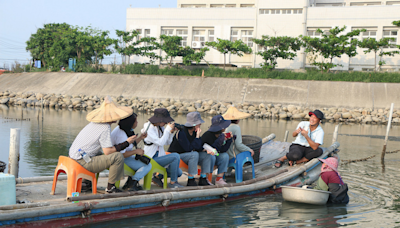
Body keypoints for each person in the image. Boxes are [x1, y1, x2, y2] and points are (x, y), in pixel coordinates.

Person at [69, 96, 135, 193]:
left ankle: (86, 183)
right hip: (81, 160)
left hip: (74, 157)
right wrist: (127, 143)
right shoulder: (105, 127)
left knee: (99, 154)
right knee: (117, 156)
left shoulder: (93, 123)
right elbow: (108, 151)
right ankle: (110, 187)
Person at [168, 112, 213, 186]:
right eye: (199, 123)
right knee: (194, 154)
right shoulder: (181, 132)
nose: (200, 124)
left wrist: (205, 150)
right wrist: (197, 136)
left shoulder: (194, 132)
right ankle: (191, 180)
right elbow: (188, 148)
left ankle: (203, 178)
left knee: (206, 155)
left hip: (188, 155)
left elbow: (198, 147)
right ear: (194, 125)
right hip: (177, 155)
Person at [142, 108, 183, 188]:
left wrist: (170, 133)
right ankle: (173, 183)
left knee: (179, 172)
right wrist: (167, 130)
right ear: (160, 120)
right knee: (175, 156)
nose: (166, 123)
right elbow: (160, 142)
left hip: (159, 157)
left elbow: (166, 142)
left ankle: (157, 177)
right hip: (151, 158)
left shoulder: (159, 127)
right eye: (165, 121)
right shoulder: (148, 128)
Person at [111, 113, 151, 191]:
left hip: (122, 157)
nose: (137, 123)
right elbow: (121, 154)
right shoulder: (121, 135)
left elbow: (129, 144)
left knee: (145, 162)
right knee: (147, 166)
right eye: (135, 121)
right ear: (130, 123)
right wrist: (135, 151)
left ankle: (129, 183)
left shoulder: (124, 129)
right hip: (119, 159)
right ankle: (132, 184)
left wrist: (140, 138)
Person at [201, 115, 232, 185]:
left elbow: (222, 150)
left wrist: (229, 140)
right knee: (210, 157)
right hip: (207, 156)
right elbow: (203, 148)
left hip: (215, 155)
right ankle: (206, 178)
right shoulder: (207, 135)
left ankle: (219, 179)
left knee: (225, 156)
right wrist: (218, 142)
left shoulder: (221, 135)